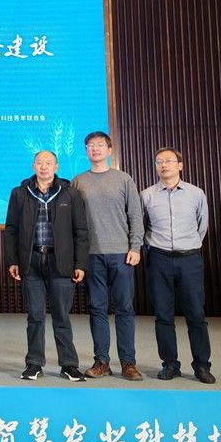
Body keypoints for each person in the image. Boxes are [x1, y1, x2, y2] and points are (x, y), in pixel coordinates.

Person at [4, 151, 89, 382]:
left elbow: (81, 231)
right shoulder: (20, 193)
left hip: (61, 262)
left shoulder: (70, 193)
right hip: (31, 261)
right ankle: (34, 364)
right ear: (33, 166)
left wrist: (80, 263)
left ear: (56, 166)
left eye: (48, 163)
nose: (44, 167)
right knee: (35, 316)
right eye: (40, 163)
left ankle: (69, 365)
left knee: (62, 316)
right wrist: (12, 261)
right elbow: (11, 230)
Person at [71, 131, 145, 381]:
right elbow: (72, 221)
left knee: (125, 308)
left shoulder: (124, 179)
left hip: (122, 254)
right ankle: (101, 361)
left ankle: (128, 363)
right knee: (97, 308)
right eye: (90, 145)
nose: (95, 148)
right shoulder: (78, 181)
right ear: (86, 151)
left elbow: (135, 215)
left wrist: (135, 247)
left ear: (109, 150)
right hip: (92, 255)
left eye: (100, 145)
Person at [141, 148, 215, 384]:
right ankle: (170, 364)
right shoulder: (147, 195)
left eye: (169, 161)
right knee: (163, 315)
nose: (164, 165)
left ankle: (202, 366)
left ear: (180, 165)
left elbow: (202, 226)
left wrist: (189, 246)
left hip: (189, 259)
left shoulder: (196, 193)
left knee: (196, 315)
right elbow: (141, 227)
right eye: (159, 162)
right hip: (159, 259)